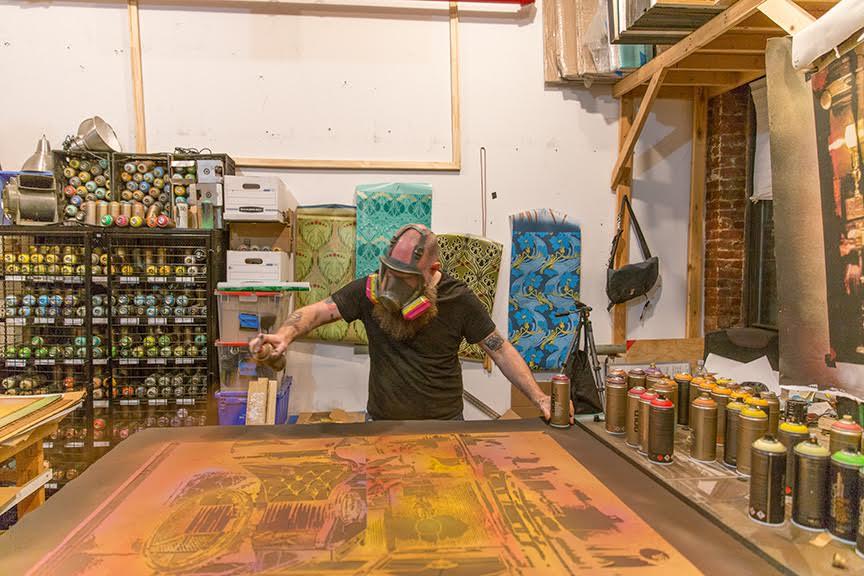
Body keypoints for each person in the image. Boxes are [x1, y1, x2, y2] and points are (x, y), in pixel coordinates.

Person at [251, 224, 569, 422]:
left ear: (433, 271)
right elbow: (319, 311)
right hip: (382, 423)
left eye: (404, 279)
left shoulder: (457, 298)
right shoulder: (370, 291)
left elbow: (499, 349)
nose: (391, 287)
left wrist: (540, 397)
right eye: (389, 274)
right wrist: (284, 335)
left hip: (444, 426)